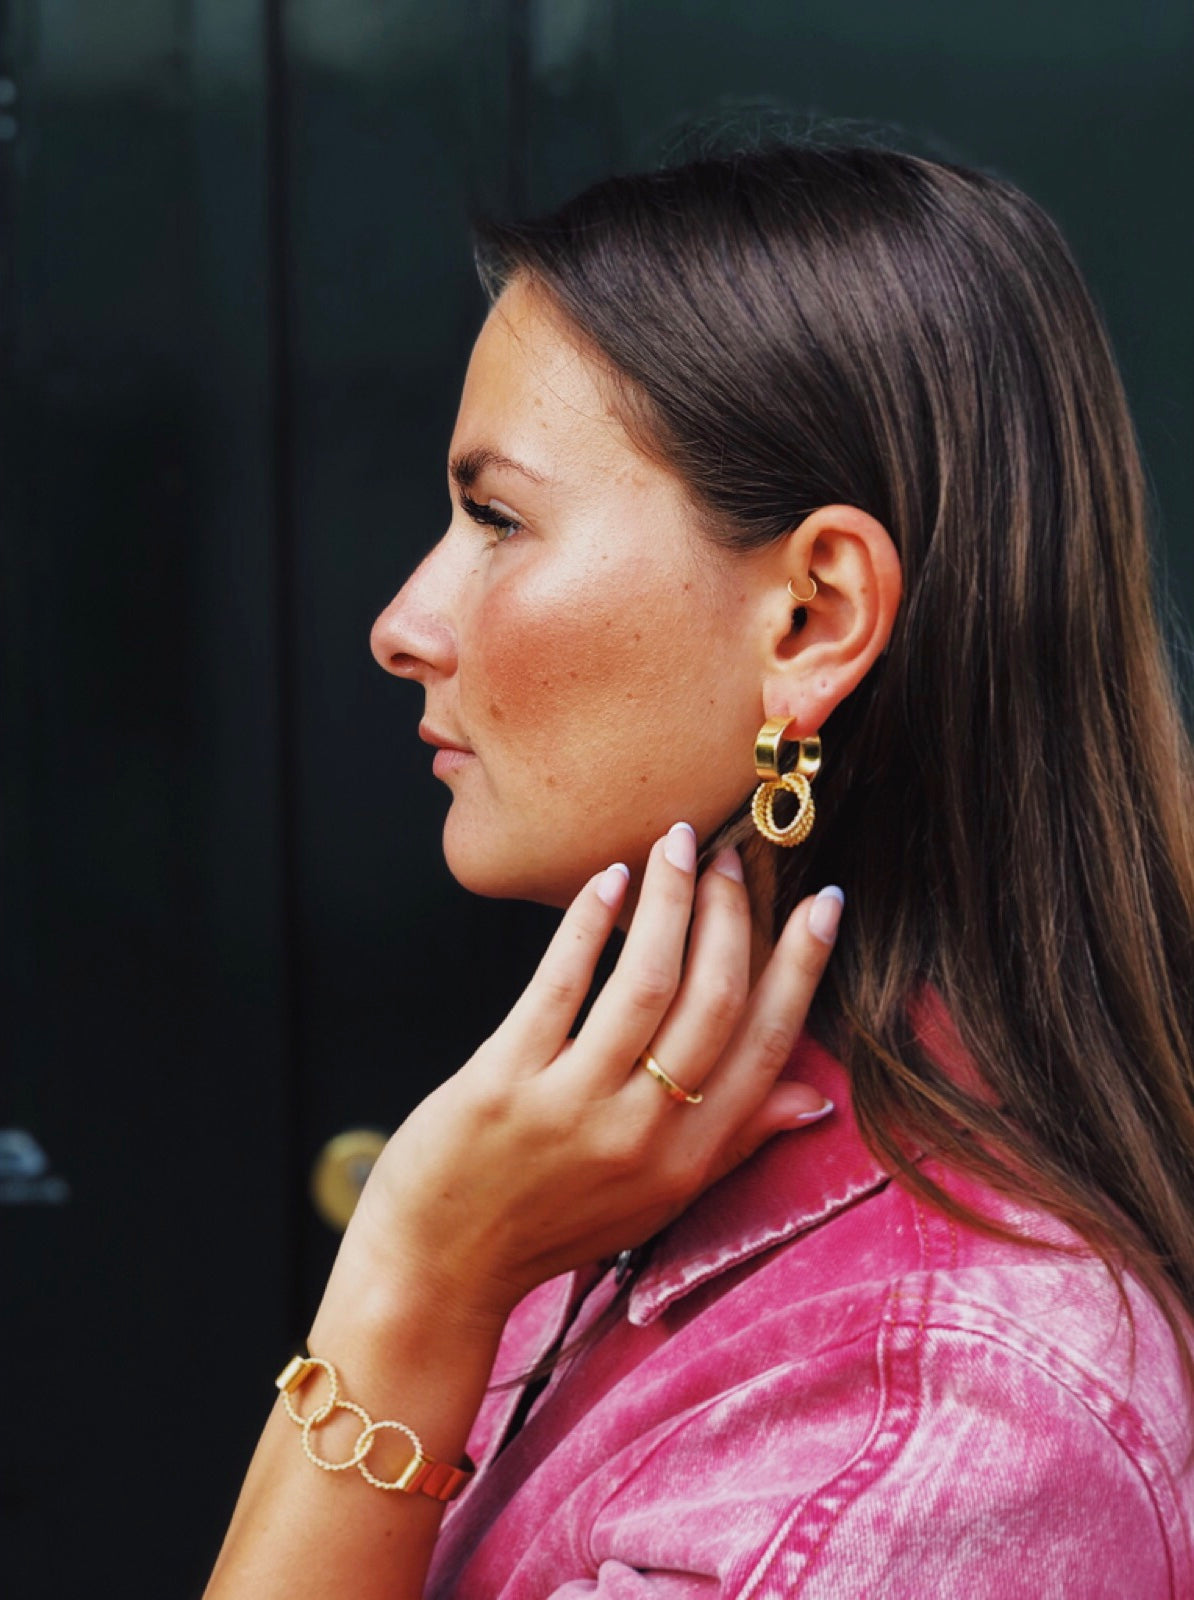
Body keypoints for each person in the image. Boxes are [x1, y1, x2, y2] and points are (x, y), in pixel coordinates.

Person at [205, 141, 1194, 1598]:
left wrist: (411, 1284)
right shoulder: (643, 1163)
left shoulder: (926, 1429)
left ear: (809, 617)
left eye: (496, 520)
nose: (404, 623)